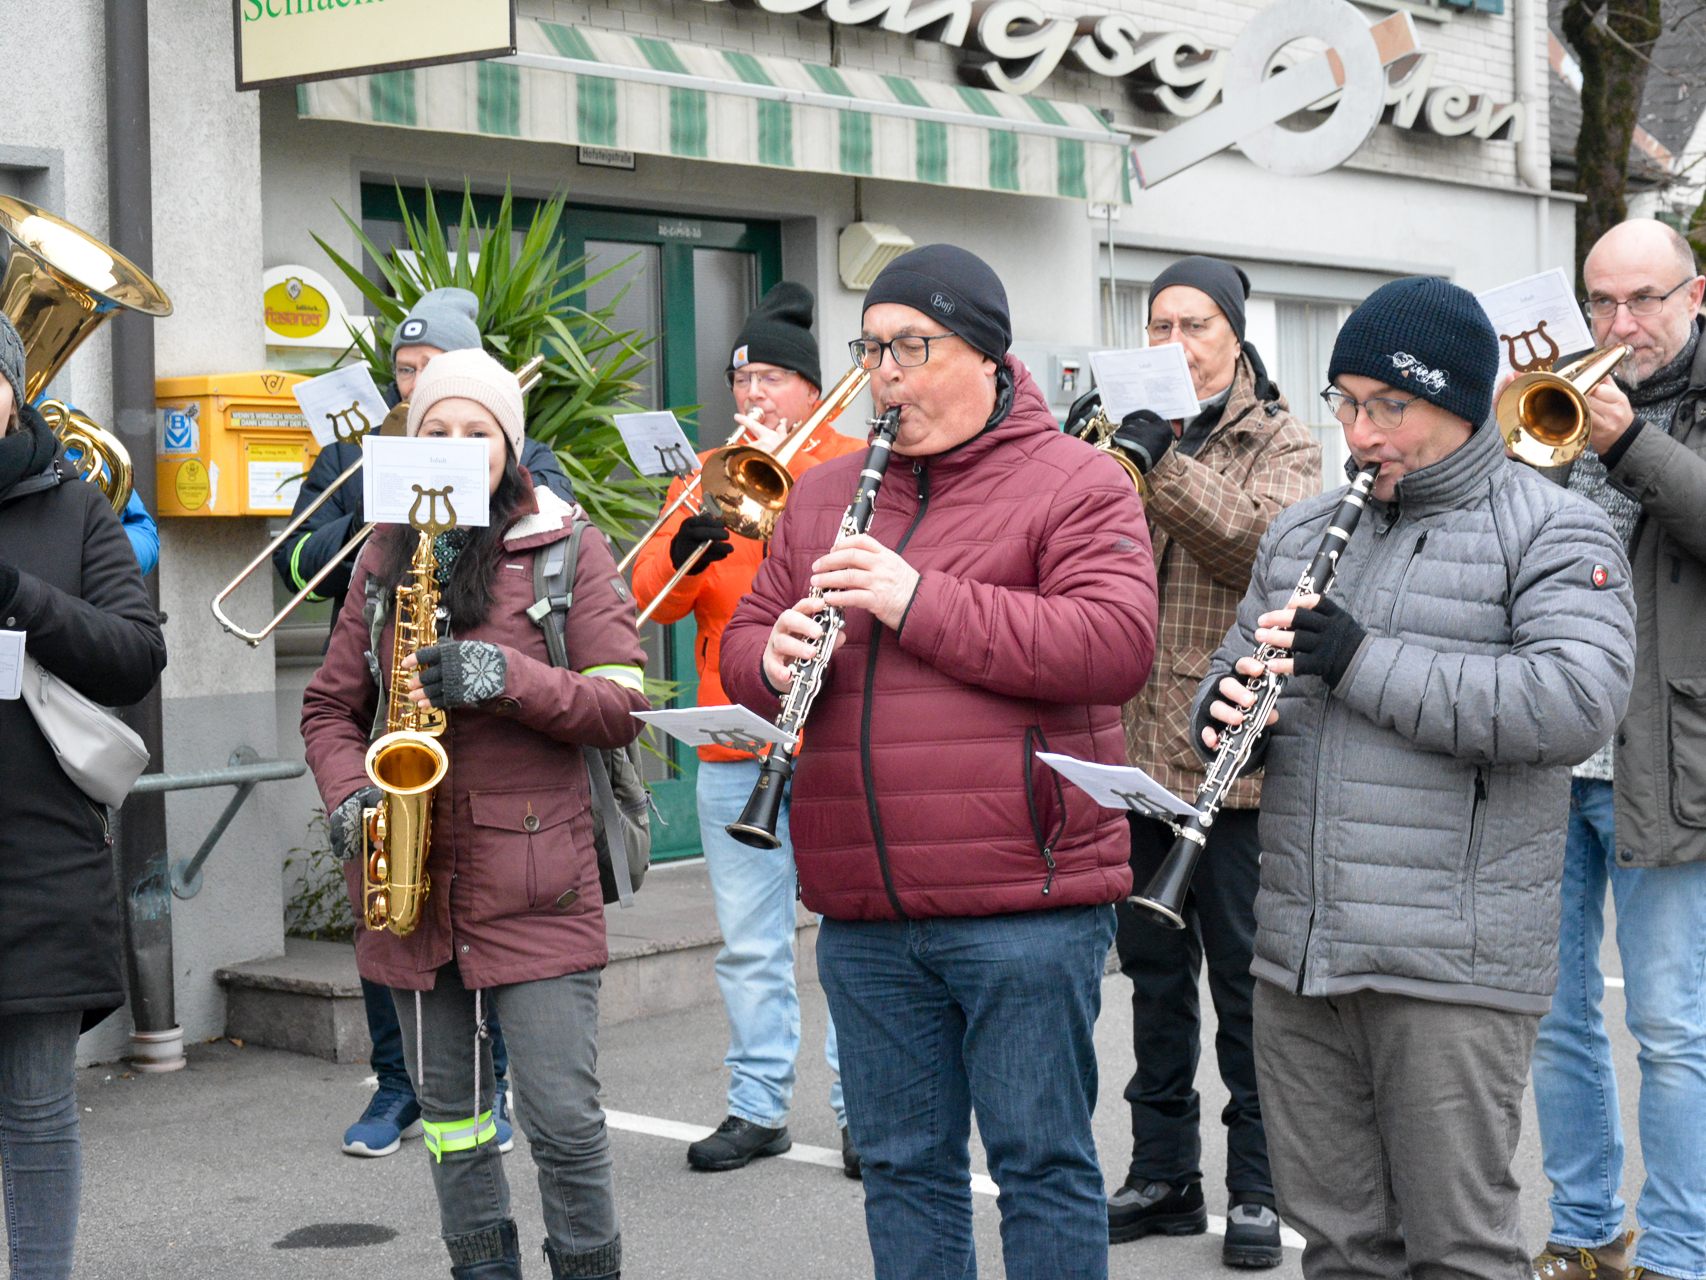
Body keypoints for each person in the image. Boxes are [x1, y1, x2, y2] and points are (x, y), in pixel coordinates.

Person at [721, 245, 1158, 1280]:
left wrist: (918, 599)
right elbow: (744, 634)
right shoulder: (823, 490)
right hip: (865, 909)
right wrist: (766, 653)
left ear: (984, 353)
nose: (884, 375)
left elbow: (1112, 646)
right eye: (870, 350)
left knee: (1040, 1166)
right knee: (905, 1170)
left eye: (909, 348)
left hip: (1021, 901)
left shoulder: (1077, 480)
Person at [1195, 276, 1635, 1280]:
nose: (1359, 431)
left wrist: (1357, 659)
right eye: (1344, 402)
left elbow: (1570, 701)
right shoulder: (1301, 533)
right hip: (1303, 950)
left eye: (1387, 405)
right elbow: (1227, 670)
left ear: (1463, 400)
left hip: (1450, 960)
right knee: (1343, 1250)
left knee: (1459, 1251)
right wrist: (1223, 714)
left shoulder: (1551, 528)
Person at [301, 349, 646, 1280]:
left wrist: (510, 680)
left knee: (564, 1122)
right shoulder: (385, 555)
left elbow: (620, 703)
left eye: (477, 432)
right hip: (410, 881)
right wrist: (348, 800)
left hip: (538, 877)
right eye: (436, 432)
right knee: (452, 1124)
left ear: (510, 443)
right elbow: (330, 708)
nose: (456, 448)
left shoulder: (567, 545)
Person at [275, 287, 562, 1159]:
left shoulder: (525, 456)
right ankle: (397, 1085)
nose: (417, 387)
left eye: (432, 371)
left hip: (484, 726)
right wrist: (379, 516)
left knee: (483, 914)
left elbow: (538, 530)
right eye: (405, 374)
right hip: (380, 688)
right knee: (388, 900)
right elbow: (297, 560)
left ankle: (493, 1081)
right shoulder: (354, 462)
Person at [1101, 256, 1318, 1268]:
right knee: (1149, 981)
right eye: (1158, 323)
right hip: (1133, 753)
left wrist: (1159, 458)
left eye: (1194, 323)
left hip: (1235, 764)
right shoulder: (1119, 427)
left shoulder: (1282, 439)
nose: (1174, 342)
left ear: (1233, 334)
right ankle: (1162, 1173)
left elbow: (1261, 543)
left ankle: (1258, 1188)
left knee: (1241, 987)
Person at [631, 282, 865, 1176]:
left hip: (836, 733)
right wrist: (703, 525)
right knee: (751, 943)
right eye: (742, 377)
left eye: (771, 375)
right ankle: (757, 1106)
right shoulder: (714, 470)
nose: (754, 394)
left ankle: (861, 1112)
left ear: (810, 389)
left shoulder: (848, 461)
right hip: (737, 742)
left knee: (848, 937)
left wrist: (789, 485)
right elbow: (656, 593)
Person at [1528, 220, 1706, 1280]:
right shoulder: (1553, 396)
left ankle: (1679, 1250)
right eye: (1598, 301)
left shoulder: (1647, 413)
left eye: (1641, 299)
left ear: (1696, 295)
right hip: (1547, 754)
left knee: (1669, 1025)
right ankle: (1583, 1229)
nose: (1617, 324)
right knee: (1552, 1021)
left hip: (1664, 751)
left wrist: (1624, 440)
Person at [0, 314, 167, 1279]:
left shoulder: (73, 510)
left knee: (31, 1109)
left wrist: (18, 595)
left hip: (34, 857)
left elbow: (136, 654)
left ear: (14, 390)